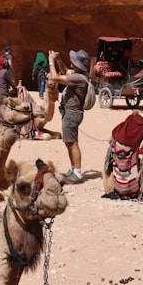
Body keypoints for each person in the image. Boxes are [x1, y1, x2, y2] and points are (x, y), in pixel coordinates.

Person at [49, 48, 89, 184]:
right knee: (69, 142)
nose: (71, 61)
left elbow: (55, 77)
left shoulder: (79, 78)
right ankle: (73, 169)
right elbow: (66, 71)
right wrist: (59, 60)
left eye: (74, 60)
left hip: (72, 114)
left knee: (73, 143)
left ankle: (77, 173)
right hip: (69, 113)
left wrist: (51, 63)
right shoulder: (79, 74)